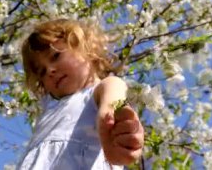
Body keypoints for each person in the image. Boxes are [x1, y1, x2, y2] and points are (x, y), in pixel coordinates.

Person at [17, 19, 144, 170]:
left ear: (86, 49)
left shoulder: (97, 90)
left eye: (56, 56)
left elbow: (115, 91)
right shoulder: (49, 108)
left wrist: (114, 116)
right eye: (42, 72)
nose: (50, 70)